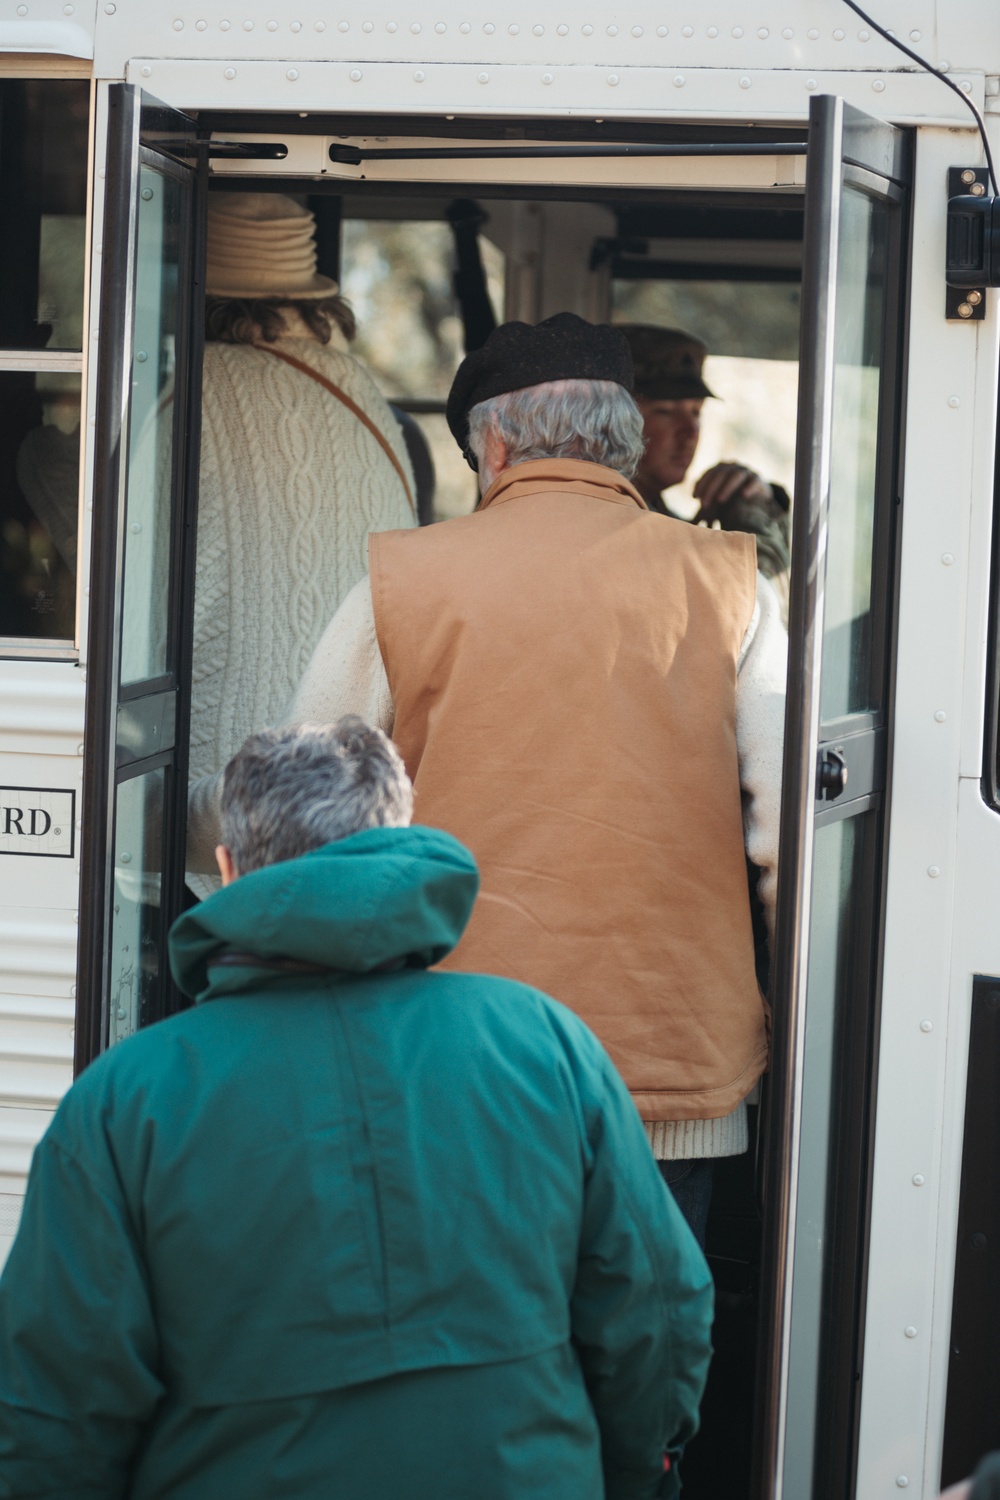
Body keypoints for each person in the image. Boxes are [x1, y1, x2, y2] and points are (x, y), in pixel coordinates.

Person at [0, 719, 714, 1500]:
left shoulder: (121, 1102)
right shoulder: (547, 1044)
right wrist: (636, 1479)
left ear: (230, 869)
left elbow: (53, 1413)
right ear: (397, 843)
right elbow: (660, 1313)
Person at [225, 313, 787, 1246]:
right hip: (674, 1071)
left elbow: (306, 828)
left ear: (491, 441)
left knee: (466, 1348)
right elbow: (789, 839)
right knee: (646, 1358)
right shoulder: (735, 583)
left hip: (446, 1064)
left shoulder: (399, 583)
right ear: (630, 437)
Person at [186, 192, 417, 887]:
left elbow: (109, 538)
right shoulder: (365, 394)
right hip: (345, 767)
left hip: (229, 765)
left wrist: (31, 448)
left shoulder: (195, 388)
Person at [618, 324, 791, 599]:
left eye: (696, 412)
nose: (690, 431)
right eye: (666, 411)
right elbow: (758, 603)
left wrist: (759, 494)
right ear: (618, 420)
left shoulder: (659, 518)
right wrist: (751, 513)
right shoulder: (619, 524)